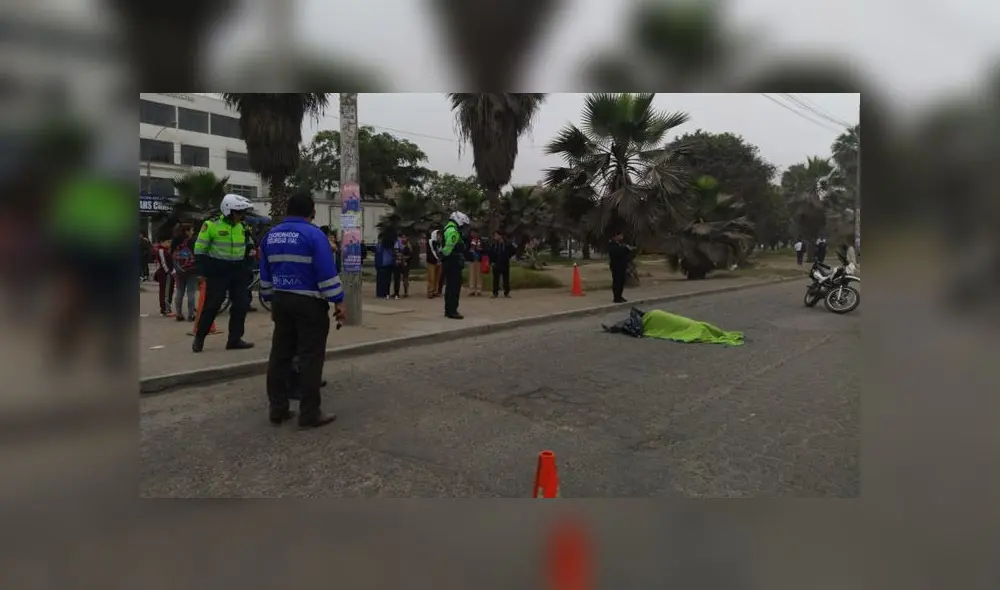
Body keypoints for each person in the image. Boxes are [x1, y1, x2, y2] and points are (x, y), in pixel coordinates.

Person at [259, 191, 345, 428]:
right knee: (310, 357)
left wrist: (269, 297)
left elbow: (265, 274)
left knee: (280, 356)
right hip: (309, 304)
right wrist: (338, 300)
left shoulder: (270, 236)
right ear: (312, 212)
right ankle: (309, 414)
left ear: (288, 210)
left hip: (281, 300)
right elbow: (326, 273)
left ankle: (277, 409)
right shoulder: (314, 235)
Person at [191, 194, 256, 353]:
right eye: (239, 212)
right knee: (212, 306)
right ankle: (200, 337)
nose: (242, 215)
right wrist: (201, 271)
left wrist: (248, 263)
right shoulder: (211, 225)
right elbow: (200, 249)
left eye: (243, 212)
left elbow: (249, 246)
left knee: (241, 305)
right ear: (228, 211)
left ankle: (234, 339)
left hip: (238, 271)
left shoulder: (243, 227)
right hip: (218, 271)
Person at [441, 211, 470, 319]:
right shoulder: (453, 232)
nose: (463, 227)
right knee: (454, 287)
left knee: (449, 287)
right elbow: (448, 249)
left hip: (449, 262)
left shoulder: (447, 228)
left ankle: (448, 310)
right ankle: (452, 311)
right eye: (463, 224)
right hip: (453, 262)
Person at [171, 224, 198, 321]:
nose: (192, 232)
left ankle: (178, 314)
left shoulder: (175, 241)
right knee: (191, 293)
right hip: (192, 270)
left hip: (179, 270)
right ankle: (191, 315)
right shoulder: (193, 241)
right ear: (187, 231)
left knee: (179, 292)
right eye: (191, 230)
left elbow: (171, 254)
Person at [489, 229, 516, 298]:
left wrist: (507, 256)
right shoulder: (494, 244)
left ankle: (506, 292)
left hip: (505, 263)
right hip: (496, 263)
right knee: (495, 279)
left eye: (496, 235)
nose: (495, 237)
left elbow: (513, 251)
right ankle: (495, 293)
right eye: (494, 236)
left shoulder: (507, 244)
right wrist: (492, 261)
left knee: (506, 278)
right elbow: (491, 253)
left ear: (500, 236)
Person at [608, 230, 632, 303]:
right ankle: (616, 297)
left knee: (622, 281)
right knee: (617, 281)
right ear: (616, 236)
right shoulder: (612, 244)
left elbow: (624, 253)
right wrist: (625, 249)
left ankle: (620, 296)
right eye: (620, 235)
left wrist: (628, 249)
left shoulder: (620, 244)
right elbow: (617, 253)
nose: (622, 237)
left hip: (622, 266)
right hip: (616, 266)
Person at [153, 234, 174, 316]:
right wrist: (169, 272)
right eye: (168, 242)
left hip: (168, 274)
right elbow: (163, 263)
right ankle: (165, 309)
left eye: (170, 242)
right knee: (165, 291)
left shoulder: (167, 250)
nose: (169, 244)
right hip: (165, 274)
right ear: (162, 242)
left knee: (169, 291)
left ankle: (167, 308)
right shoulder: (161, 251)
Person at [374, 233, 395, 299]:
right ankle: (383, 293)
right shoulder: (380, 245)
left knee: (383, 280)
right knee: (383, 280)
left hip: (384, 264)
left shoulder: (381, 245)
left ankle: (382, 293)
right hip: (383, 264)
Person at [393, 234, 412, 298]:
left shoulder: (408, 246)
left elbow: (410, 256)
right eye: (402, 237)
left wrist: (404, 258)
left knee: (405, 278)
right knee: (397, 278)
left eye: (404, 237)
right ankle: (396, 292)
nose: (403, 239)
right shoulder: (397, 245)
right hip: (398, 264)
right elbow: (395, 254)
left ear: (407, 238)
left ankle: (406, 292)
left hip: (406, 265)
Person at [425, 225, 442, 298]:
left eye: (440, 235)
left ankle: (435, 291)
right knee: (431, 278)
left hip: (438, 262)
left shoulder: (439, 243)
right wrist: (438, 258)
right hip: (431, 262)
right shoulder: (430, 241)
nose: (439, 236)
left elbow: (441, 251)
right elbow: (433, 251)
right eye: (438, 235)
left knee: (437, 278)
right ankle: (430, 292)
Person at [466, 229, 484, 296]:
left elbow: (485, 248)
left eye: (474, 232)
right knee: (472, 274)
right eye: (472, 233)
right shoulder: (469, 240)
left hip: (479, 259)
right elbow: (466, 249)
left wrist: (481, 249)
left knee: (479, 275)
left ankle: (479, 289)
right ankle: (472, 289)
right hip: (472, 259)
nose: (473, 234)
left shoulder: (480, 240)